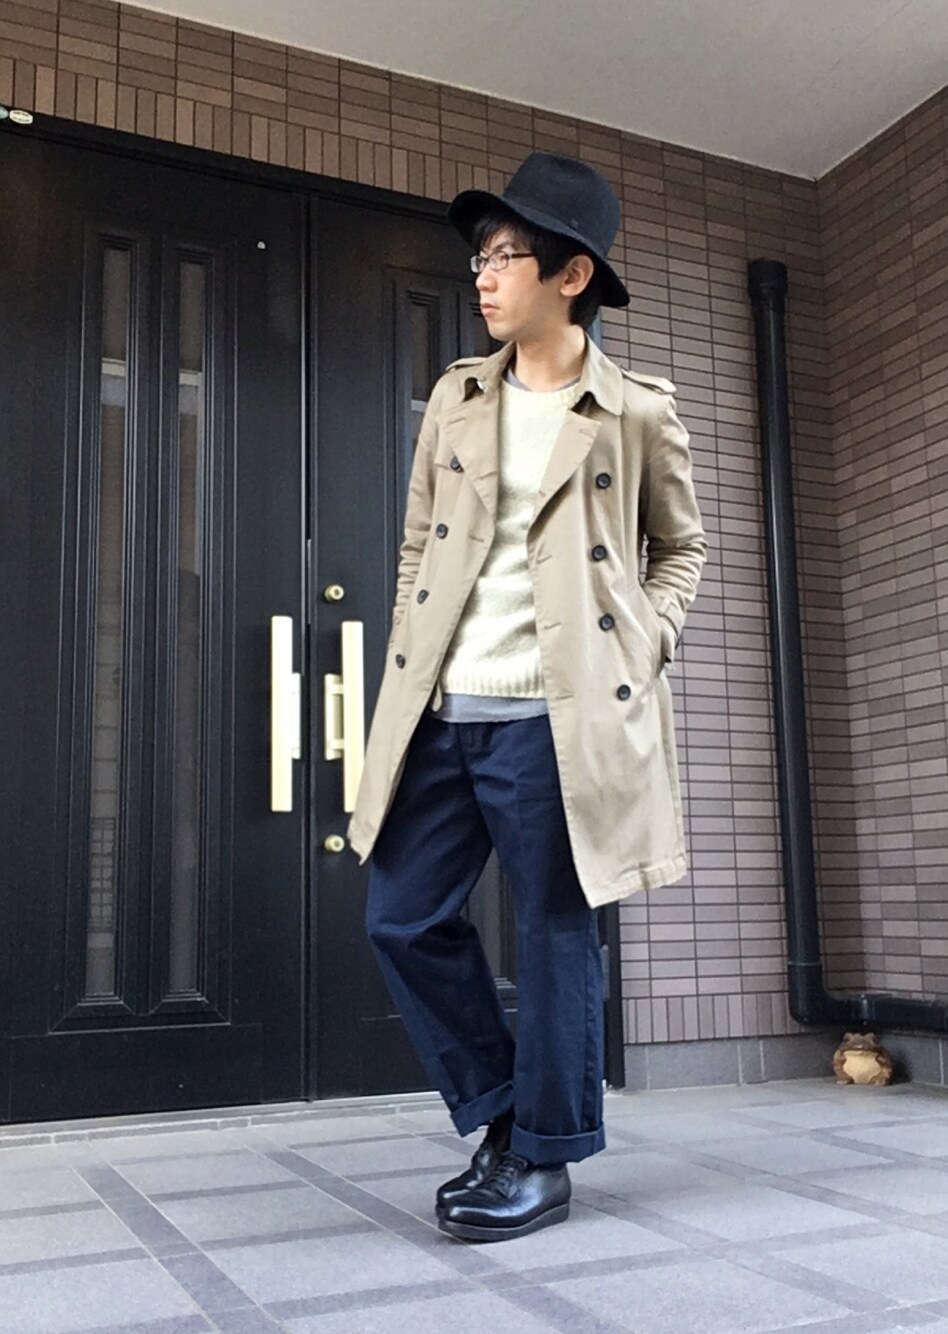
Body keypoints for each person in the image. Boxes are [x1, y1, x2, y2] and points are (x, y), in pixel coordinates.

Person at [347, 152, 707, 1242]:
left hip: (560, 716)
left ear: (571, 273)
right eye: (481, 256)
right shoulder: (457, 399)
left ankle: (542, 1161)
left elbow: (681, 548)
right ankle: (508, 1112)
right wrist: (411, 650)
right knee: (402, 914)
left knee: (555, 935)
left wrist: (645, 641)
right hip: (445, 707)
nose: (484, 275)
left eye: (506, 256)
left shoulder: (635, 412)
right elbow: (420, 546)